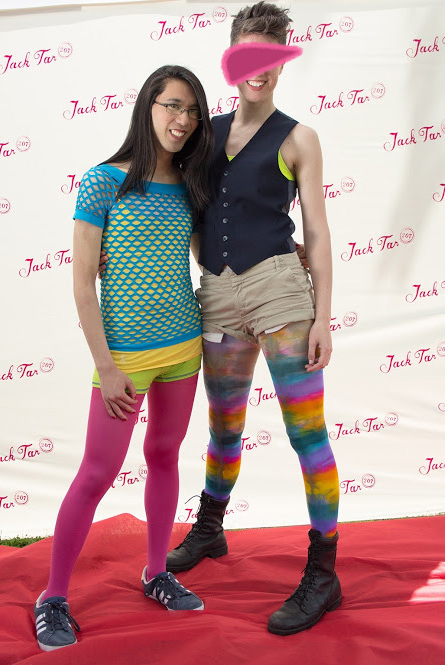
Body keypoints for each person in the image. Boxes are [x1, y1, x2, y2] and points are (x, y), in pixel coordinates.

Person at [165, 2, 341, 636]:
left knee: (307, 435)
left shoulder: (299, 138)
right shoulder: (204, 134)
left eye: (271, 55)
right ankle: (210, 529)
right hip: (217, 295)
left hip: (281, 293)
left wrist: (324, 315)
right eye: (249, 53)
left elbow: (317, 232)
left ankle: (323, 572)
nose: (258, 67)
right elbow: (184, 212)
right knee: (224, 426)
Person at [33, 65, 214, 651]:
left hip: (185, 349)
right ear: (148, 106)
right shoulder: (101, 182)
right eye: (172, 106)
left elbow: (206, 252)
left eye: (192, 111)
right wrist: (107, 366)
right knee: (96, 473)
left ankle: (156, 571)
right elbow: (84, 284)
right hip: (125, 360)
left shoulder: (190, 184)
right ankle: (53, 597)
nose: (181, 120)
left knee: (164, 455)